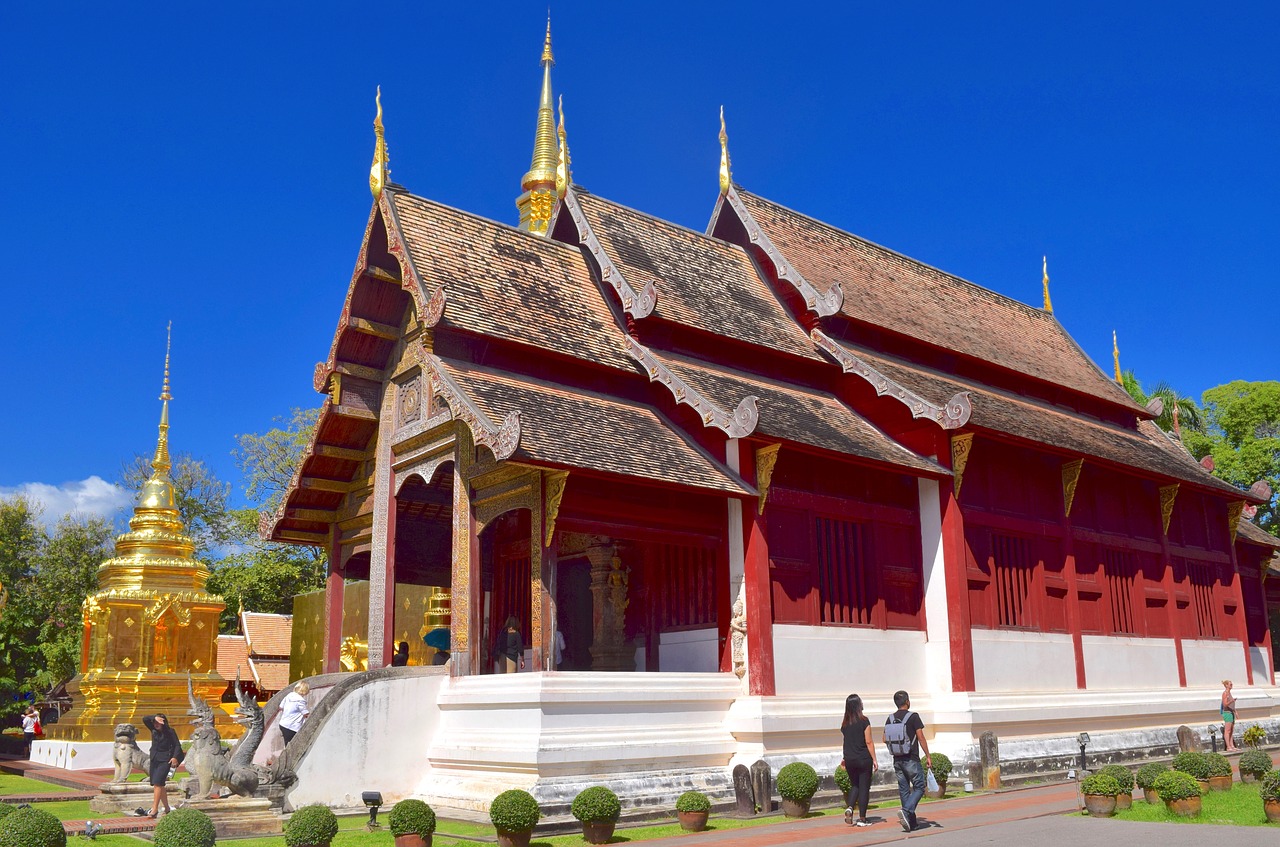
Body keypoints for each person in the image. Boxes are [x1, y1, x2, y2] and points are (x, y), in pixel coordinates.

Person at [885, 690, 931, 832]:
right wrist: (928, 755)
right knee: (919, 787)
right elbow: (921, 737)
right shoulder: (914, 717)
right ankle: (906, 811)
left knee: (904, 790)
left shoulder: (890, 718)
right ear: (907, 702)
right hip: (911, 758)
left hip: (897, 759)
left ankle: (911, 823)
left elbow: (884, 738)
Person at [839, 693, 877, 827]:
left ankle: (850, 807)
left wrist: (844, 758)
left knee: (855, 785)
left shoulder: (845, 724)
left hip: (850, 759)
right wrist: (874, 759)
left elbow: (846, 742)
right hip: (863, 758)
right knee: (864, 788)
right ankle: (862, 818)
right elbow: (869, 741)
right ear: (858, 705)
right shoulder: (864, 721)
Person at [141, 713, 183, 818]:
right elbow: (145, 719)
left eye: (158, 722)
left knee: (157, 784)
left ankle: (154, 809)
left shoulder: (170, 732)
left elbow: (177, 745)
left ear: (164, 722)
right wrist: (154, 717)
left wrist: (175, 757)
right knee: (160, 784)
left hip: (166, 760)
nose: (156, 724)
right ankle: (167, 808)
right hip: (155, 759)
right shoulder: (153, 730)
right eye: (155, 722)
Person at [1221, 679, 1237, 751]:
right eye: (1230, 684)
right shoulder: (1225, 693)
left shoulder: (1229, 693)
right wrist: (1232, 701)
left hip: (1231, 712)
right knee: (1227, 730)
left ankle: (1232, 745)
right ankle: (1228, 746)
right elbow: (1225, 704)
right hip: (1227, 713)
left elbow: (1231, 706)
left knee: (1231, 730)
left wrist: (1235, 711)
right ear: (1226, 685)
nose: (1231, 685)